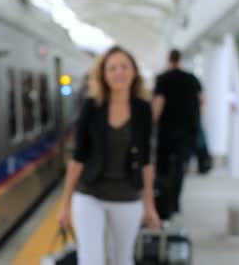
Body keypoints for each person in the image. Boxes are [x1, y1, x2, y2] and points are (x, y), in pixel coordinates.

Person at [57, 46, 161, 265]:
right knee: (91, 260)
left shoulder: (142, 110)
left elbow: (146, 162)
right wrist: (64, 206)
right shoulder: (91, 106)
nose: (118, 72)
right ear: (103, 75)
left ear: (134, 72)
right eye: (112, 68)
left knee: (122, 259)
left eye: (124, 67)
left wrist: (149, 205)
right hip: (89, 194)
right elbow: (78, 158)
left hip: (127, 196)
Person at [152, 49, 204, 219]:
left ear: (169, 60)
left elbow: (159, 103)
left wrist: (152, 124)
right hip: (187, 132)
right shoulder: (191, 79)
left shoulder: (163, 79)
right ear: (180, 60)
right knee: (180, 168)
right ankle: (175, 202)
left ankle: (165, 203)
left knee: (164, 169)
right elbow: (202, 100)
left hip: (166, 132)